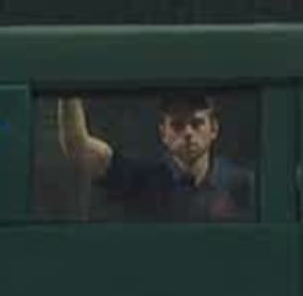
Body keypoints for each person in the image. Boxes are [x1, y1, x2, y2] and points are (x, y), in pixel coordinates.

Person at [57, 92, 254, 222]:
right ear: (163, 133)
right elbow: (77, 146)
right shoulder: (141, 179)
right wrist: (66, 86)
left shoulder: (242, 183)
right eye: (177, 125)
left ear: (214, 129)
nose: (188, 132)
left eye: (196, 123)